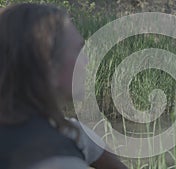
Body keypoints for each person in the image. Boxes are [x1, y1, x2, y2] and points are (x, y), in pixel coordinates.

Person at [0, 3, 127, 169]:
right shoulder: (59, 161)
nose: (86, 61)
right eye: (78, 51)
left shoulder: (67, 134)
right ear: (48, 65)